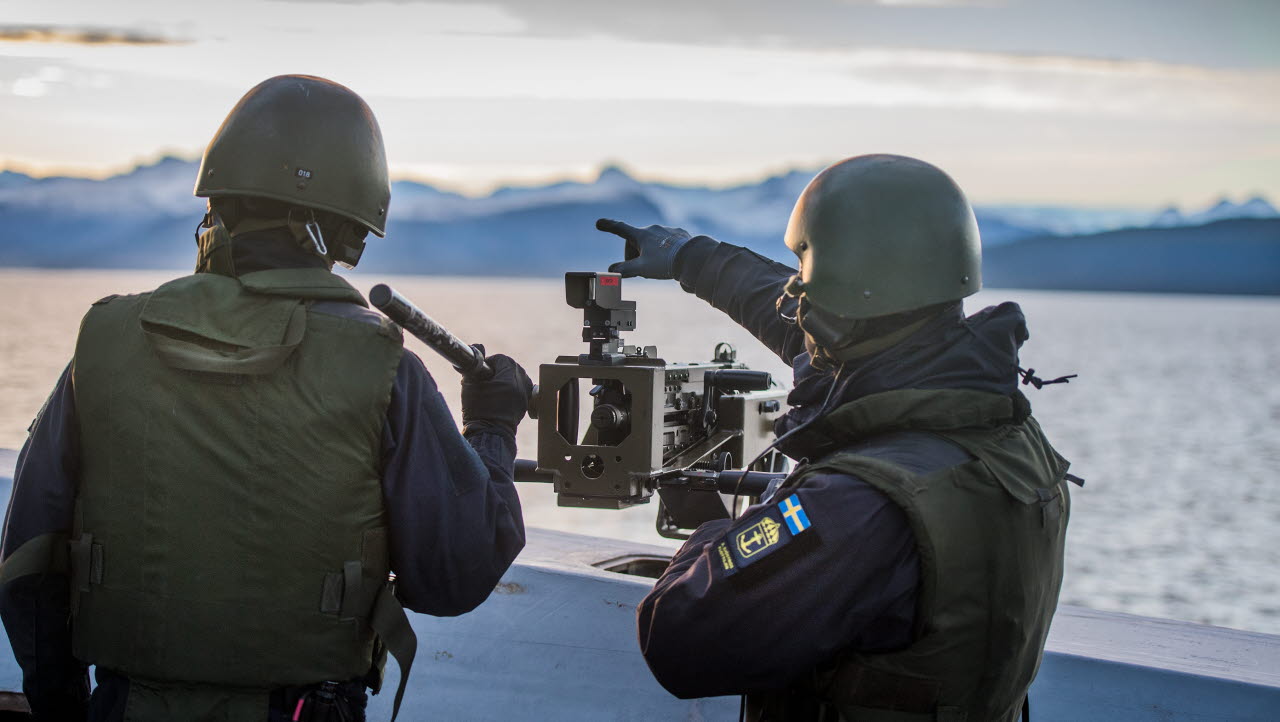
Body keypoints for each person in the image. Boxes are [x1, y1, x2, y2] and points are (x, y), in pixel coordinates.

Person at [0, 75, 532, 721]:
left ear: (216, 207)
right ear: (345, 234)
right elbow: (455, 574)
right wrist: (492, 425)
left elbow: (27, 562)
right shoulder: (385, 367)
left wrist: (64, 706)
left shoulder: (105, 341)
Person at [599, 154, 1074, 721]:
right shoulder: (1002, 430)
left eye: (806, 279)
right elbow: (798, 325)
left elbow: (678, 638)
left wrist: (713, 529)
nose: (794, 296)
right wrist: (689, 257)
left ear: (850, 298)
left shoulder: (862, 502)